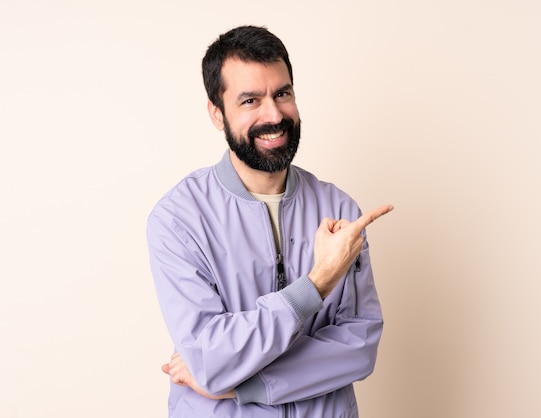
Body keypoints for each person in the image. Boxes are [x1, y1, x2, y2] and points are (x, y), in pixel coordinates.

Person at [147, 25, 393, 418]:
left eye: (282, 93)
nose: (274, 114)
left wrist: (243, 386)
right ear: (217, 113)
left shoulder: (339, 208)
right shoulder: (179, 220)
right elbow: (209, 357)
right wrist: (317, 285)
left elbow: (359, 345)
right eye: (250, 100)